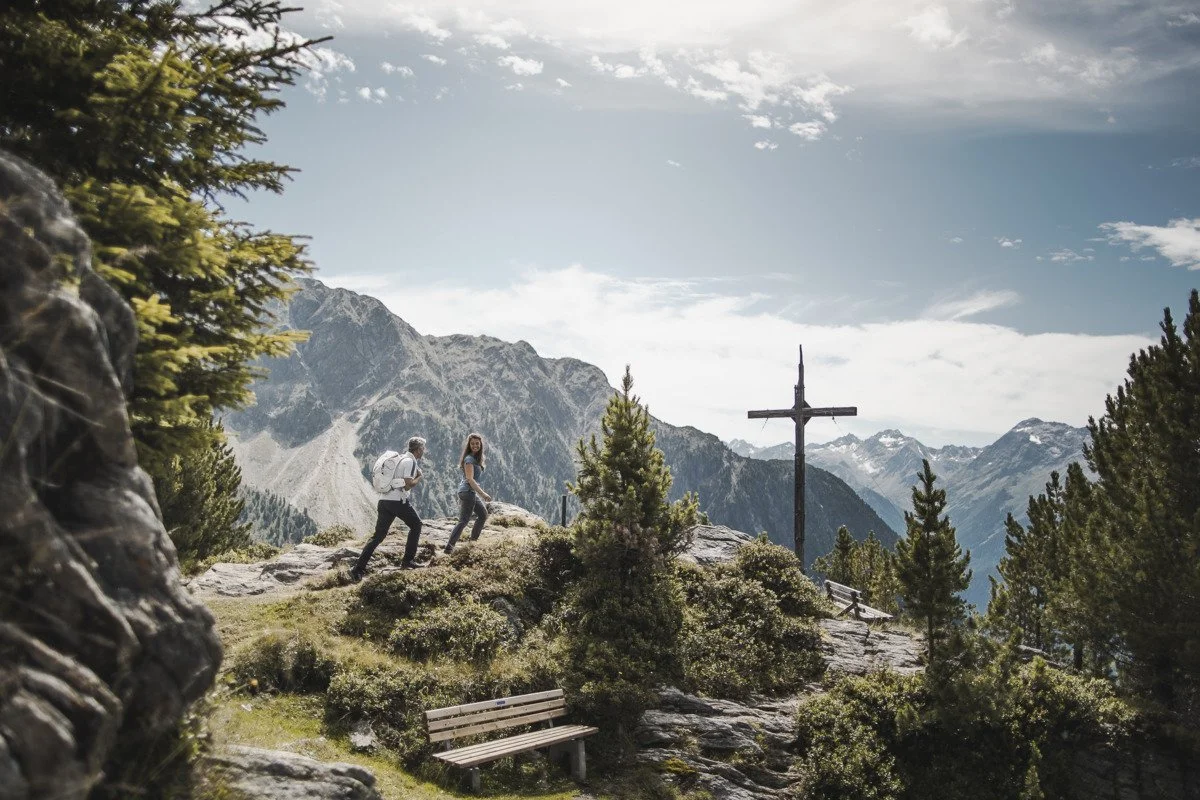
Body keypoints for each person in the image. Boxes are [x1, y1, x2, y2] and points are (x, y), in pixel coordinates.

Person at [351, 436, 427, 581]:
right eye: (423, 448)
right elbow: (407, 484)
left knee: (378, 536)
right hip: (397, 501)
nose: (423, 451)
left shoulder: (400, 458)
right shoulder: (411, 461)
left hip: (384, 501)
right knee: (416, 525)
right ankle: (407, 561)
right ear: (418, 449)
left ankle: (357, 569)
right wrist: (419, 477)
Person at [443, 432, 492, 553]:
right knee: (464, 520)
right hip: (468, 492)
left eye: (477, 443)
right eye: (472, 444)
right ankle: (449, 548)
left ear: (480, 444)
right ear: (469, 445)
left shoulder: (475, 458)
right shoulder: (469, 459)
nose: (475, 445)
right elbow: (470, 480)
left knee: (482, 515)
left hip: (469, 492)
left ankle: (472, 543)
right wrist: (483, 494)